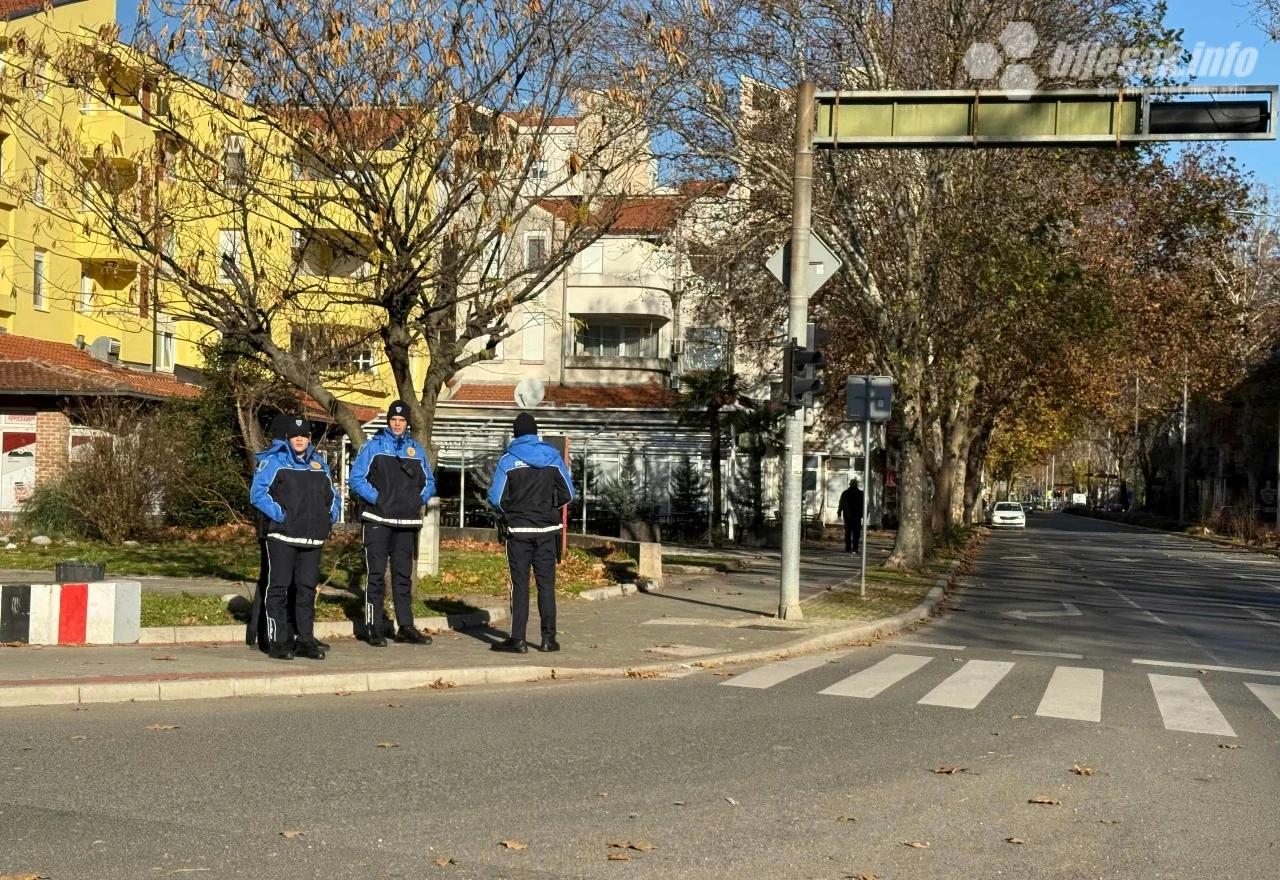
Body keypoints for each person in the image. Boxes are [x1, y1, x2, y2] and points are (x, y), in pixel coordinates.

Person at [250, 416, 340, 661]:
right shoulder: (274, 462)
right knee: (278, 587)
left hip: (312, 539)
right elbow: (257, 494)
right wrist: (281, 515)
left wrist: (328, 518)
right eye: (294, 436)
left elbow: (333, 496)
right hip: (282, 536)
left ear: (309, 439)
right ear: (288, 438)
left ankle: (306, 639)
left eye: (304, 435)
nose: (299, 439)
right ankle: (277, 641)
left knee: (307, 590)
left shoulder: (319, 464)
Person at [348, 400, 436, 647]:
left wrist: (417, 500)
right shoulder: (373, 447)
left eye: (402, 421)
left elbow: (429, 482)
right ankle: (373, 626)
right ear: (388, 421)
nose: (397, 424)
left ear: (407, 423)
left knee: (402, 576)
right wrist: (378, 499)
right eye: (394, 420)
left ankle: (406, 626)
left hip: (406, 523)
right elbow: (356, 479)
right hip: (378, 520)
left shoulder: (416, 450)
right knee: (376, 575)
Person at [487, 412, 574, 654]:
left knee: (520, 585)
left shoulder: (508, 460)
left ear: (515, 434)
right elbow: (568, 493)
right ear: (535, 433)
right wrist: (548, 508)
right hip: (547, 531)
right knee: (546, 586)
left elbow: (495, 498)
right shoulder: (552, 457)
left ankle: (518, 639)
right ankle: (549, 639)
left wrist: (512, 512)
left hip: (519, 531)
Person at [839, 479, 864, 554]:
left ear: (850, 484)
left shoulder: (845, 493)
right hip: (857, 516)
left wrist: (839, 511)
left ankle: (848, 548)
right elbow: (864, 504)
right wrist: (864, 514)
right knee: (856, 533)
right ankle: (855, 549)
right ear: (856, 485)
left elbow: (841, 503)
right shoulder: (860, 493)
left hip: (848, 516)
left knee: (848, 532)